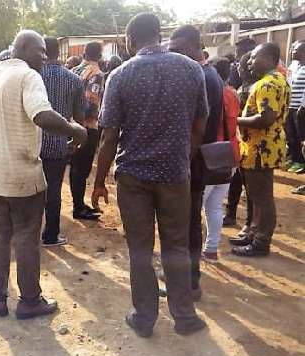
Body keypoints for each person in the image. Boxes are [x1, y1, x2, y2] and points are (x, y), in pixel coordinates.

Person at [91, 13, 208, 337]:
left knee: (140, 249)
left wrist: (99, 182)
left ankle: (144, 317)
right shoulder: (191, 69)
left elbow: (109, 137)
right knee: (176, 245)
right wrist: (187, 152)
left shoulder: (119, 76)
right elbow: (200, 122)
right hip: (174, 175)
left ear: (130, 41)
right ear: (159, 35)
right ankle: (184, 316)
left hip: (134, 178)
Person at [0, 30, 87, 320]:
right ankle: (30, 300)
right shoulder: (29, 76)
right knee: (28, 238)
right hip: (21, 174)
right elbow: (42, 116)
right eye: (41, 50)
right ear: (26, 49)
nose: (45, 56)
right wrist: (75, 130)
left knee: (0, 235)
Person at [169, 25, 224, 300]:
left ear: (195, 47)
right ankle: (185, 277)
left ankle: (189, 283)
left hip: (193, 162)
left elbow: (197, 127)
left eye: (178, 50)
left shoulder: (203, 77)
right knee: (186, 223)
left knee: (187, 224)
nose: (174, 55)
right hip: (193, 161)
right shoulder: (205, 74)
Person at [230, 43, 291, 257]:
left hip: (261, 150)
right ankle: (254, 234)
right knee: (257, 196)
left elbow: (265, 119)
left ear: (270, 58)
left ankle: (261, 242)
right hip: (264, 147)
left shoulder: (266, 84)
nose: (249, 61)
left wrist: (233, 120)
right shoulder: (279, 80)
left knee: (262, 198)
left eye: (254, 57)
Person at [41, 36, 87, 247]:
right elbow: (80, 118)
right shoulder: (74, 79)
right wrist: (74, 143)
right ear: (58, 52)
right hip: (58, 145)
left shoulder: (31, 76)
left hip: (29, 143)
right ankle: (50, 235)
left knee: (27, 191)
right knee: (53, 190)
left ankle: (26, 236)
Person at [202, 57, 241, 263]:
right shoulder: (234, 94)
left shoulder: (211, 95)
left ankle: (191, 253)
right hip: (229, 154)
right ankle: (211, 249)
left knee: (194, 209)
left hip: (209, 155)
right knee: (215, 207)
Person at [70, 42, 106, 220]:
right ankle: (78, 208)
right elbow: (91, 102)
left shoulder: (74, 70)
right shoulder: (97, 74)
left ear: (84, 53)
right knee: (82, 169)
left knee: (75, 167)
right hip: (87, 127)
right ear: (99, 55)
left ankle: (78, 204)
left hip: (71, 125)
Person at [224, 52, 257, 230]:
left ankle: (250, 223)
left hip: (252, 144)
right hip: (241, 142)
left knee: (250, 187)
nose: (240, 69)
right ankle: (230, 214)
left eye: (242, 66)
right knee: (236, 181)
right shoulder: (242, 89)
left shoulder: (255, 88)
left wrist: (233, 121)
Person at [285, 40, 305, 174]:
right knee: (291, 134)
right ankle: (293, 157)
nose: (292, 52)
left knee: (300, 136)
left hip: (301, 109)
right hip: (291, 106)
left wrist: (302, 106)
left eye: (295, 50)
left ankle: (300, 161)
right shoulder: (294, 66)